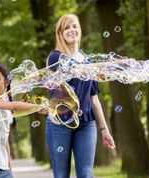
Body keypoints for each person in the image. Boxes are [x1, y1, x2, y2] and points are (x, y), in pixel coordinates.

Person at [44, 14, 116, 178]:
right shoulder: (55, 58)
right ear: (60, 33)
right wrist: (111, 66)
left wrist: (104, 130)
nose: (71, 30)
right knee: (61, 175)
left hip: (86, 124)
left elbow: (94, 99)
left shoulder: (88, 61)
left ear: (80, 30)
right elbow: (77, 69)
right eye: (66, 27)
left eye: (74, 26)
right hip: (59, 123)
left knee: (86, 174)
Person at [0, 62, 42, 178]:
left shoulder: (6, 107)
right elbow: (13, 106)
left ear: (6, 82)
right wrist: (38, 107)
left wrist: (9, 168)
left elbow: (4, 141)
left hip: (3, 168)